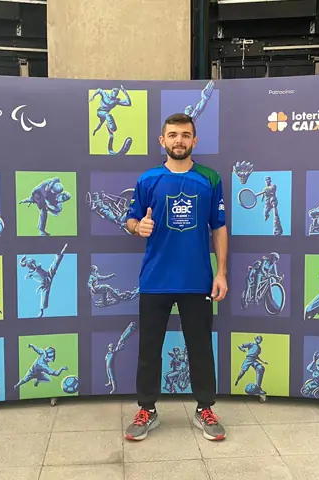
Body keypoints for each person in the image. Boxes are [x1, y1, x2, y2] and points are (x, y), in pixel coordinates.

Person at [123, 113, 228, 442]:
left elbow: (219, 228)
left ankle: (205, 408)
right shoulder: (148, 179)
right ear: (162, 140)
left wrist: (221, 272)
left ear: (194, 140)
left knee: (200, 348)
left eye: (185, 135)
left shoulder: (209, 178)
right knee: (149, 349)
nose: (178, 140)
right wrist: (138, 227)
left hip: (197, 280)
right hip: (155, 279)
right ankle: (147, 410)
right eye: (172, 135)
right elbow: (130, 219)